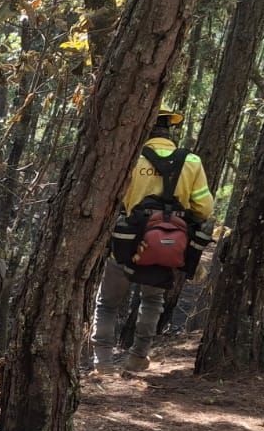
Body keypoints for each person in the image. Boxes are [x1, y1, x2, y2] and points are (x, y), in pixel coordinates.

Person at [91, 109, 215, 371]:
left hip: (127, 241)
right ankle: (138, 356)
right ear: (170, 130)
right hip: (166, 243)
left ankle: (102, 360)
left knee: (107, 304)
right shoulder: (191, 161)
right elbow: (204, 208)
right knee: (152, 301)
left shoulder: (130, 159)